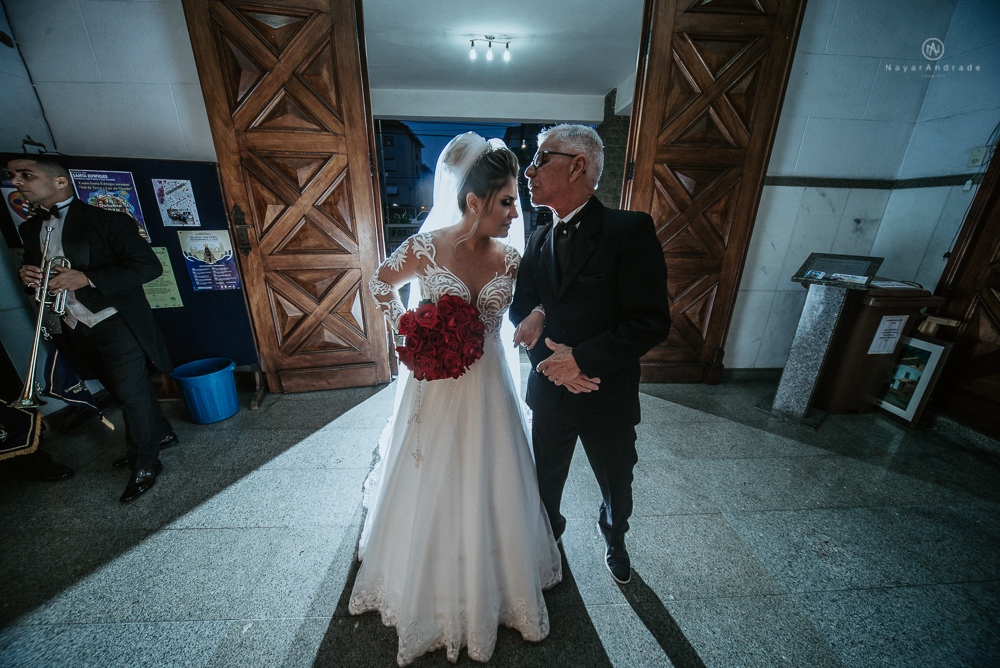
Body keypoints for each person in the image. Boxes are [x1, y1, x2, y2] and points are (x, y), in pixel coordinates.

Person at [350, 134, 561, 666]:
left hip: (489, 379)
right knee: (432, 470)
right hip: (435, 382)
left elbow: (534, 305)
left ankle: (499, 573)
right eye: (508, 201)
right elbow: (378, 285)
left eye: (518, 198)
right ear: (473, 202)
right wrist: (410, 329)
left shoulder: (512, 259)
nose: (519, 210)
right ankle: (424, 574)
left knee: (492, 468)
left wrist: (536, 317)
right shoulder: (427, 248)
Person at [509, 124, 672, 585]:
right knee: (545, 483)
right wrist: (553, 358)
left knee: (617, 482)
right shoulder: (540, 236)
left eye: (542, 159)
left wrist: (583, 361)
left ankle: (615, 537)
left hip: (606, 391)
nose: (530, 170)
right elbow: (523, 309)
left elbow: (650, 321)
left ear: (577, 166)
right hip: (551, 392)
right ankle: (550, 540)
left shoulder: (629, 230)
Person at [9, 155, 177, 503]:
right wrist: (29, 279)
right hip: (73, 325)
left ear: (60, 181)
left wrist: (87, 277)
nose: (18, 182)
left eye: (26, 175)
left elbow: (148, 267)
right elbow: (40, 282)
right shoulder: (29, 229)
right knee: (120, 389)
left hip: (115, 322)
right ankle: (160, 433)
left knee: (130, 396)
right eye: (13, 176)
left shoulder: (108, 221)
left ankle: (145, 463)